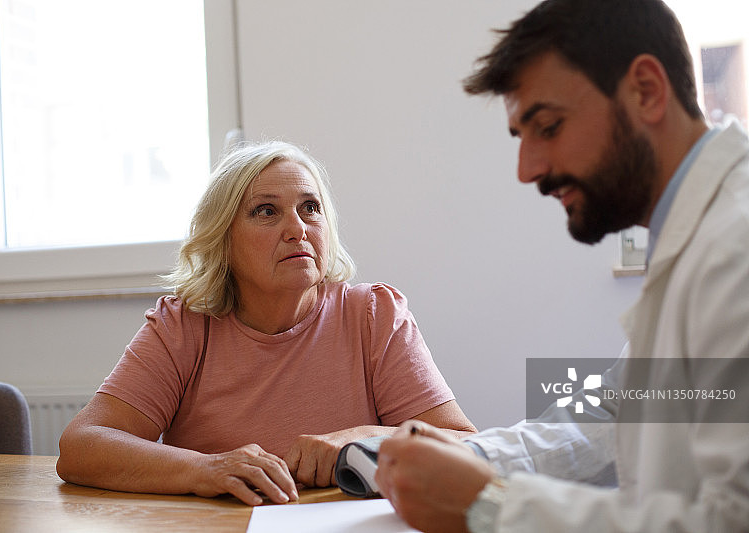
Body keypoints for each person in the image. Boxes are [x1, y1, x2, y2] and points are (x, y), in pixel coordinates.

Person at [374, 0, 749, 531]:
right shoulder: (690, 241)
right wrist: (473, 457)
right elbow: (609, 418)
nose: (527, 170)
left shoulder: (736, 249)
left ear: (645, 90)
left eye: (547, 127)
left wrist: (492, 508)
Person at [56, 141, 476, 506]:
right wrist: (206, 469)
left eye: (310, 208)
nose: (297, 229)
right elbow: (82, 447)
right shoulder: (182, 326)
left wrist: (366, 437)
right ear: (224, 241)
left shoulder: (375, 315)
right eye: (266, 211)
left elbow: (467, 444)